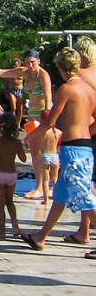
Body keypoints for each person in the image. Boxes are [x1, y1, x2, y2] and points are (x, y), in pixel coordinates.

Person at [20, 48, 96, 255]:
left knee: (84, 197)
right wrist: (86, 132)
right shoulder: (89, 90)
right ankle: (40, 237)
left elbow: (50, 121)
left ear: (62, 69)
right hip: (85, 147)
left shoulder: (66, 89)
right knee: (60, 195)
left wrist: (30, 136)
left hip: (73, 150)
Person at [0, 49, 52, 199]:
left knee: (43, 152)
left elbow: (48, 100)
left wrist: (46, 120)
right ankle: (38, 186)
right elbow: (2, 73)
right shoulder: (25, 72)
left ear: (38, 61)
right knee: (34, 151)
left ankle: (43, 187)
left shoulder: (43, 75)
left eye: (33, 62)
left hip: (41, 116)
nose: (30, 65)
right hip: (31, 116)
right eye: (27, 62)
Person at [64, 36, 96, 244]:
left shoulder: (82, 76)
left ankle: (84, 231)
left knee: (85, 183)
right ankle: (83, 230)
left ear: (81, 55)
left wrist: (86, 131)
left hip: (88, 135)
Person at [0, 112, 26, 239]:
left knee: (0, 204)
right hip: (12, 174)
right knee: (10, 201)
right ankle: (15, 224)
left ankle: (2, 231)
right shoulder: (17, 143)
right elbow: (23, 159)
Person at [38, 109, 61, 205]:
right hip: (55, 156)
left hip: (45, 155)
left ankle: (46, 200)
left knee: (45, 180)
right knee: (55, 179)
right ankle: (58, 199)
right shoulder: (57, 132)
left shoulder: (42, 131)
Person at [4, 58, 25, 128]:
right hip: (11, 90)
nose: (14, 66)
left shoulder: (22, 73)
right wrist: (5, 92)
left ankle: (18, 125)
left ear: (19, 65)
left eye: (15, 65)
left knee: (20, 109)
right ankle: (12, 123)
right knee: (13, 108)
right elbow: (5, 83)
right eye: (13, 65)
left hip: (20, 90)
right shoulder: (9, 73)